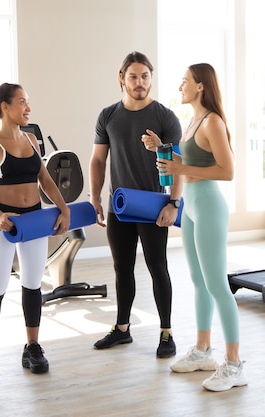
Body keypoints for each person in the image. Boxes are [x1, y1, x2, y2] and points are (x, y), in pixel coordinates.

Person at [142, 63, 247, 392]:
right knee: (199, 283)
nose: (180, 87)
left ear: (201, 86)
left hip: (210, 208)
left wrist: (179, 165)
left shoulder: (213, 121)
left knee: (217, 285)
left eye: (185, 81)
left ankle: (234, 365)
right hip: (191, 209)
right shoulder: (194, 121)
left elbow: (227, 171)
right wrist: (164, 148)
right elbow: (190, 164)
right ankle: (203, 351)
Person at [0, 82, 71, 385]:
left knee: (32, 286)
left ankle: (33, 347)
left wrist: (63, 208)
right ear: (5, 107)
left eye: (28, 102)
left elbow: (45, 179)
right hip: (5, 226)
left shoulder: (31, 140)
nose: (28, 108)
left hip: (35, 223)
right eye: (23, 102)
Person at [89, 51, 182, 358]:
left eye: (145, 76)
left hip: (154, 206)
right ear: (121, 78)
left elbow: (179, 164)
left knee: (158, 268)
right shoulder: (108, 116)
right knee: (122, 269)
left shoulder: (165, 117)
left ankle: (166, 333)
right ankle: (122, 328)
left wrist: (173, 204)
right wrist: (95, 197)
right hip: (120, 207)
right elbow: (98, 160)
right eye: (133, 76)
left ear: (151, 78)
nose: (140, 82)